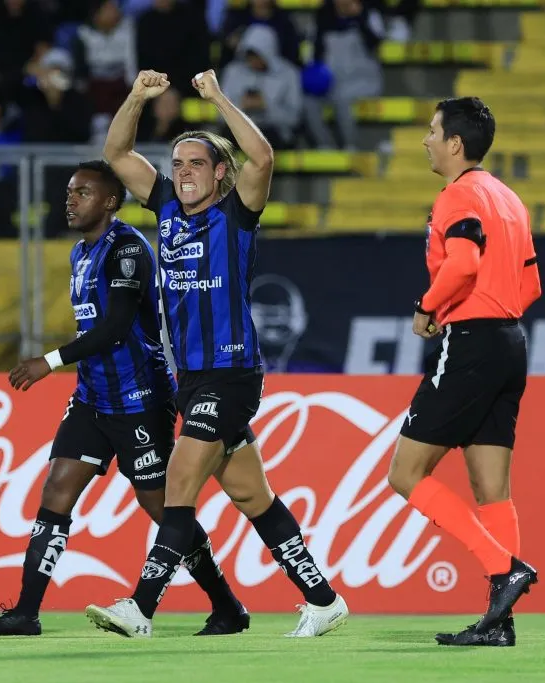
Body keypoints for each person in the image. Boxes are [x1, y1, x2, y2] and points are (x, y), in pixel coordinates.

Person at [86, 70, 349, 638]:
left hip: (230, 377)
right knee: (254, 496)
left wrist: (216, 99)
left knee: (178, 485)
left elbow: (263, 158)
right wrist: (135, 95)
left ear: (220, 174)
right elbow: (116, 151)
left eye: (196, 164)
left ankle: (141, 608)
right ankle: (323, 599)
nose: (182, 173)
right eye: (177, 164)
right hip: (191, 379)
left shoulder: (237, 214)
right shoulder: (165, 207)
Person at [0, 161, 249, 638]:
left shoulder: (127, 251)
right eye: (69, 192)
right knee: (56, 490)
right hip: (92, 400)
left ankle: (227, 605)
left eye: (82, 193)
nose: (70, 200)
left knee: (163, 509)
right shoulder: (82, 252)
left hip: (140, 398)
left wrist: (49, 360)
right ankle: (26, 612)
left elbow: (116, 328)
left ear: (110, 202)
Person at [387, 97, 541, 647]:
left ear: (455, 143)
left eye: (432, 131)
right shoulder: (510, 198)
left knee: (404, 474)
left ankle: (505, 569)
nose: (426, 140)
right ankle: (500, 623)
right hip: (511, 341)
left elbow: (465, 261)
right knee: (491, 486)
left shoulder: (458, 194)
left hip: (472, 339)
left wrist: (429, 306)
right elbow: (531, 284)